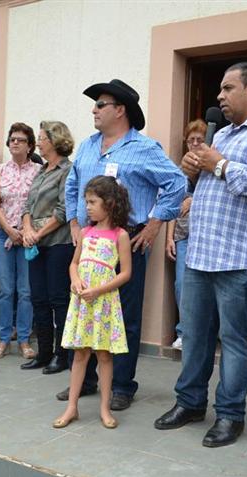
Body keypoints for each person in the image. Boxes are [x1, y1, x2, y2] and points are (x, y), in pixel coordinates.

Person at [153, 62, 247, 447]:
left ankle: (230, 414)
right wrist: (192, 171)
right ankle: (190, 403)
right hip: (201, 252)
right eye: (220, 89)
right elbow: (204, 187)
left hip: (241, 257)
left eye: (227, 88)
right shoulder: (221, 134)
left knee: (234, 339)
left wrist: (219, 165)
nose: (219, 96)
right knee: (195, 335)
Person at [62, 78, 185, 411]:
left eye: (100, 104)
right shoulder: (87, 146)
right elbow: (72, 186)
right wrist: (74, 223)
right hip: (89, 242)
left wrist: (156, 222)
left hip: (125, 241)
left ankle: (121, 385)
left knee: (122, 315)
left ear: (121, 110)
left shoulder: (145, 148)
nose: (94, 110)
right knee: (84, 308)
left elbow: (177, 182)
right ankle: (85, 381)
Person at [54, 176, 132, 430]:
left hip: (103, 302)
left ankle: (104, 408)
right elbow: (74, 263)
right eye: (86, 202)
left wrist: (98, 290)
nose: (87, 207)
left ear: (109, 203)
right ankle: (72, 407)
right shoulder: (85, 232)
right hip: (83, 302)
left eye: (92, 202)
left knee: (104, 355)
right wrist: (75, 280)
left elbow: (125, 273)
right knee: (80, 354)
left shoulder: (120, 235)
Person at [20, 121, 75, 374]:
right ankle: (43, 353)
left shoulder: (68, 171)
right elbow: (27, 206)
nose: (38, 143)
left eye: (42, 138)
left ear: (55, 141)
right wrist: (27, 230)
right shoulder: (41, 171)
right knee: (38, 298)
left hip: (58, 244)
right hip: (36, 244)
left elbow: (64, 210)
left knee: (58, 299)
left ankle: (61, 355)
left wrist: (38, 233)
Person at [0, 122, 40, 359]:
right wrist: (9, 230)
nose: (15, 143)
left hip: (28, 237)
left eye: (21, 140)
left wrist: (25, 231)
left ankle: (24, 340)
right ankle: (3, 339)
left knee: (26, 291)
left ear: (30, 146)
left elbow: (40, 204)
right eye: (12, 139)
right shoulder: (0, 170)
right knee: (6, 290)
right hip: (3, 235)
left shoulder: (38, 171)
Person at [165, 120, 202, 350]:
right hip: (183, 235)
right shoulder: (178, 172)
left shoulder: (211, 168)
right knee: (181, 284)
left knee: (204, 287)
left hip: (205, 236)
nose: (195, 144)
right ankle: (184, 332)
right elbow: (172, 207)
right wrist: (169, 238)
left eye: (200, 140)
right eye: (191, 140)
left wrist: (193, 200)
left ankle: (202, 332)